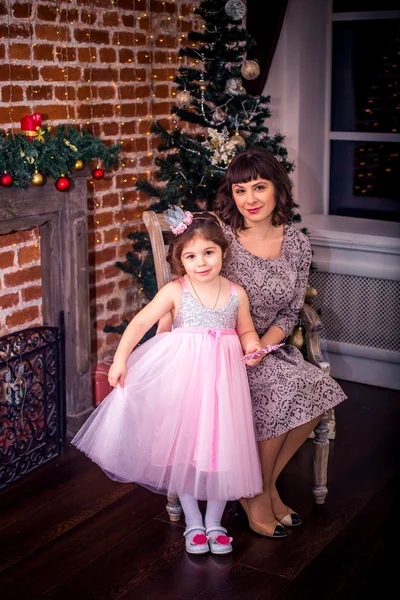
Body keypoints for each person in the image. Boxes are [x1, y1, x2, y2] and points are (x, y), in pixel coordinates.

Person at [71, 208, 283, 556]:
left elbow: (246, 330)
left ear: (223, 252)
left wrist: (253, 347)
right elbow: (139, 324)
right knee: (186, 450)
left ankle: (215, 522)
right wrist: (121, 358)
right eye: (191, 256)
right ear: (180, 260)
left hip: (223, 386)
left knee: (220, 450)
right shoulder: (175, 291)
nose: (201, 262)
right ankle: (193, 522)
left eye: (208, 252)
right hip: (185, 381)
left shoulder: (235, 293)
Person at [213, 146, 347, 536]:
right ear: (231, 195)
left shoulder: (297, 243)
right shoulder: (221, 236)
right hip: (222, 347)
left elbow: (290, 312)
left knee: (320, 390)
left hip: (267, 347)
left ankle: (261, 486)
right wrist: (242, 347)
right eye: (240, 190)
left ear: (278, 190)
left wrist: (263, 347)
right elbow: (194, 290)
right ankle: (256, 495)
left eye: (259, 187)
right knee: (284, 389)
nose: (250, 199)